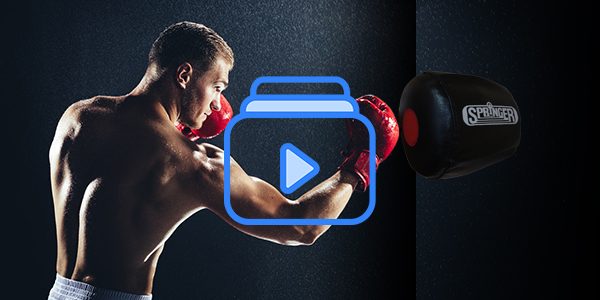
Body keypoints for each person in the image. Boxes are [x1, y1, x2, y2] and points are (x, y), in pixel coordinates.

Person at [47, 21, 398, 299]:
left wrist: (179, 129)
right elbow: (301, 226)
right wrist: (360, 164)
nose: (218, 104)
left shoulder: (78, 117)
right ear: (183, 75)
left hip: (59, 291)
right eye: (217, 86)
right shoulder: (193, 163)